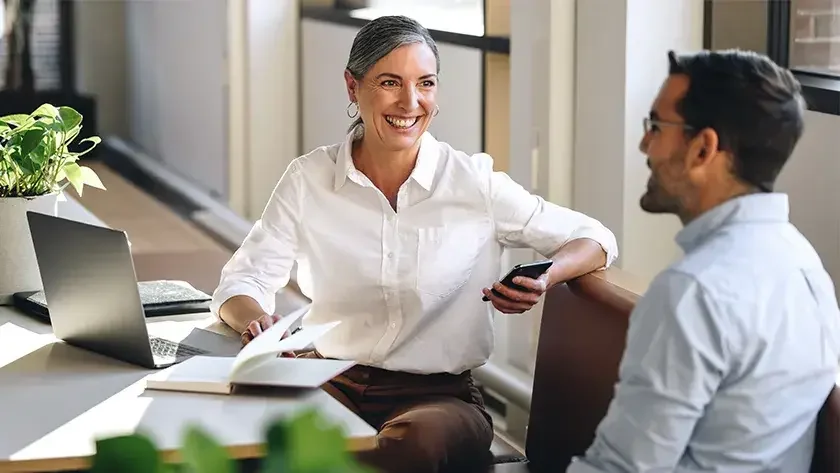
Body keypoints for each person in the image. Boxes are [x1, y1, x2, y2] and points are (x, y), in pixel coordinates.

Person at [211, 14, 618, 473]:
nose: (411, 101)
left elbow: (595, 238)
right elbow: (242, 281)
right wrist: (257, 322)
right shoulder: (308, 179)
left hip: (439, 400)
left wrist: (544, 279)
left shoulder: (473, 183)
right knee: (242, 441)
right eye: (390, 82)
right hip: (326, 379)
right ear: (353, 86)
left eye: (426, 83)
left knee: (409, 448)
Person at [567, 49, 840, 473]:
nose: (644, 143)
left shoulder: (693, 291)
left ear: (703, 148)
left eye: (656, 126)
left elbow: (623, 468)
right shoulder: (806, 267)